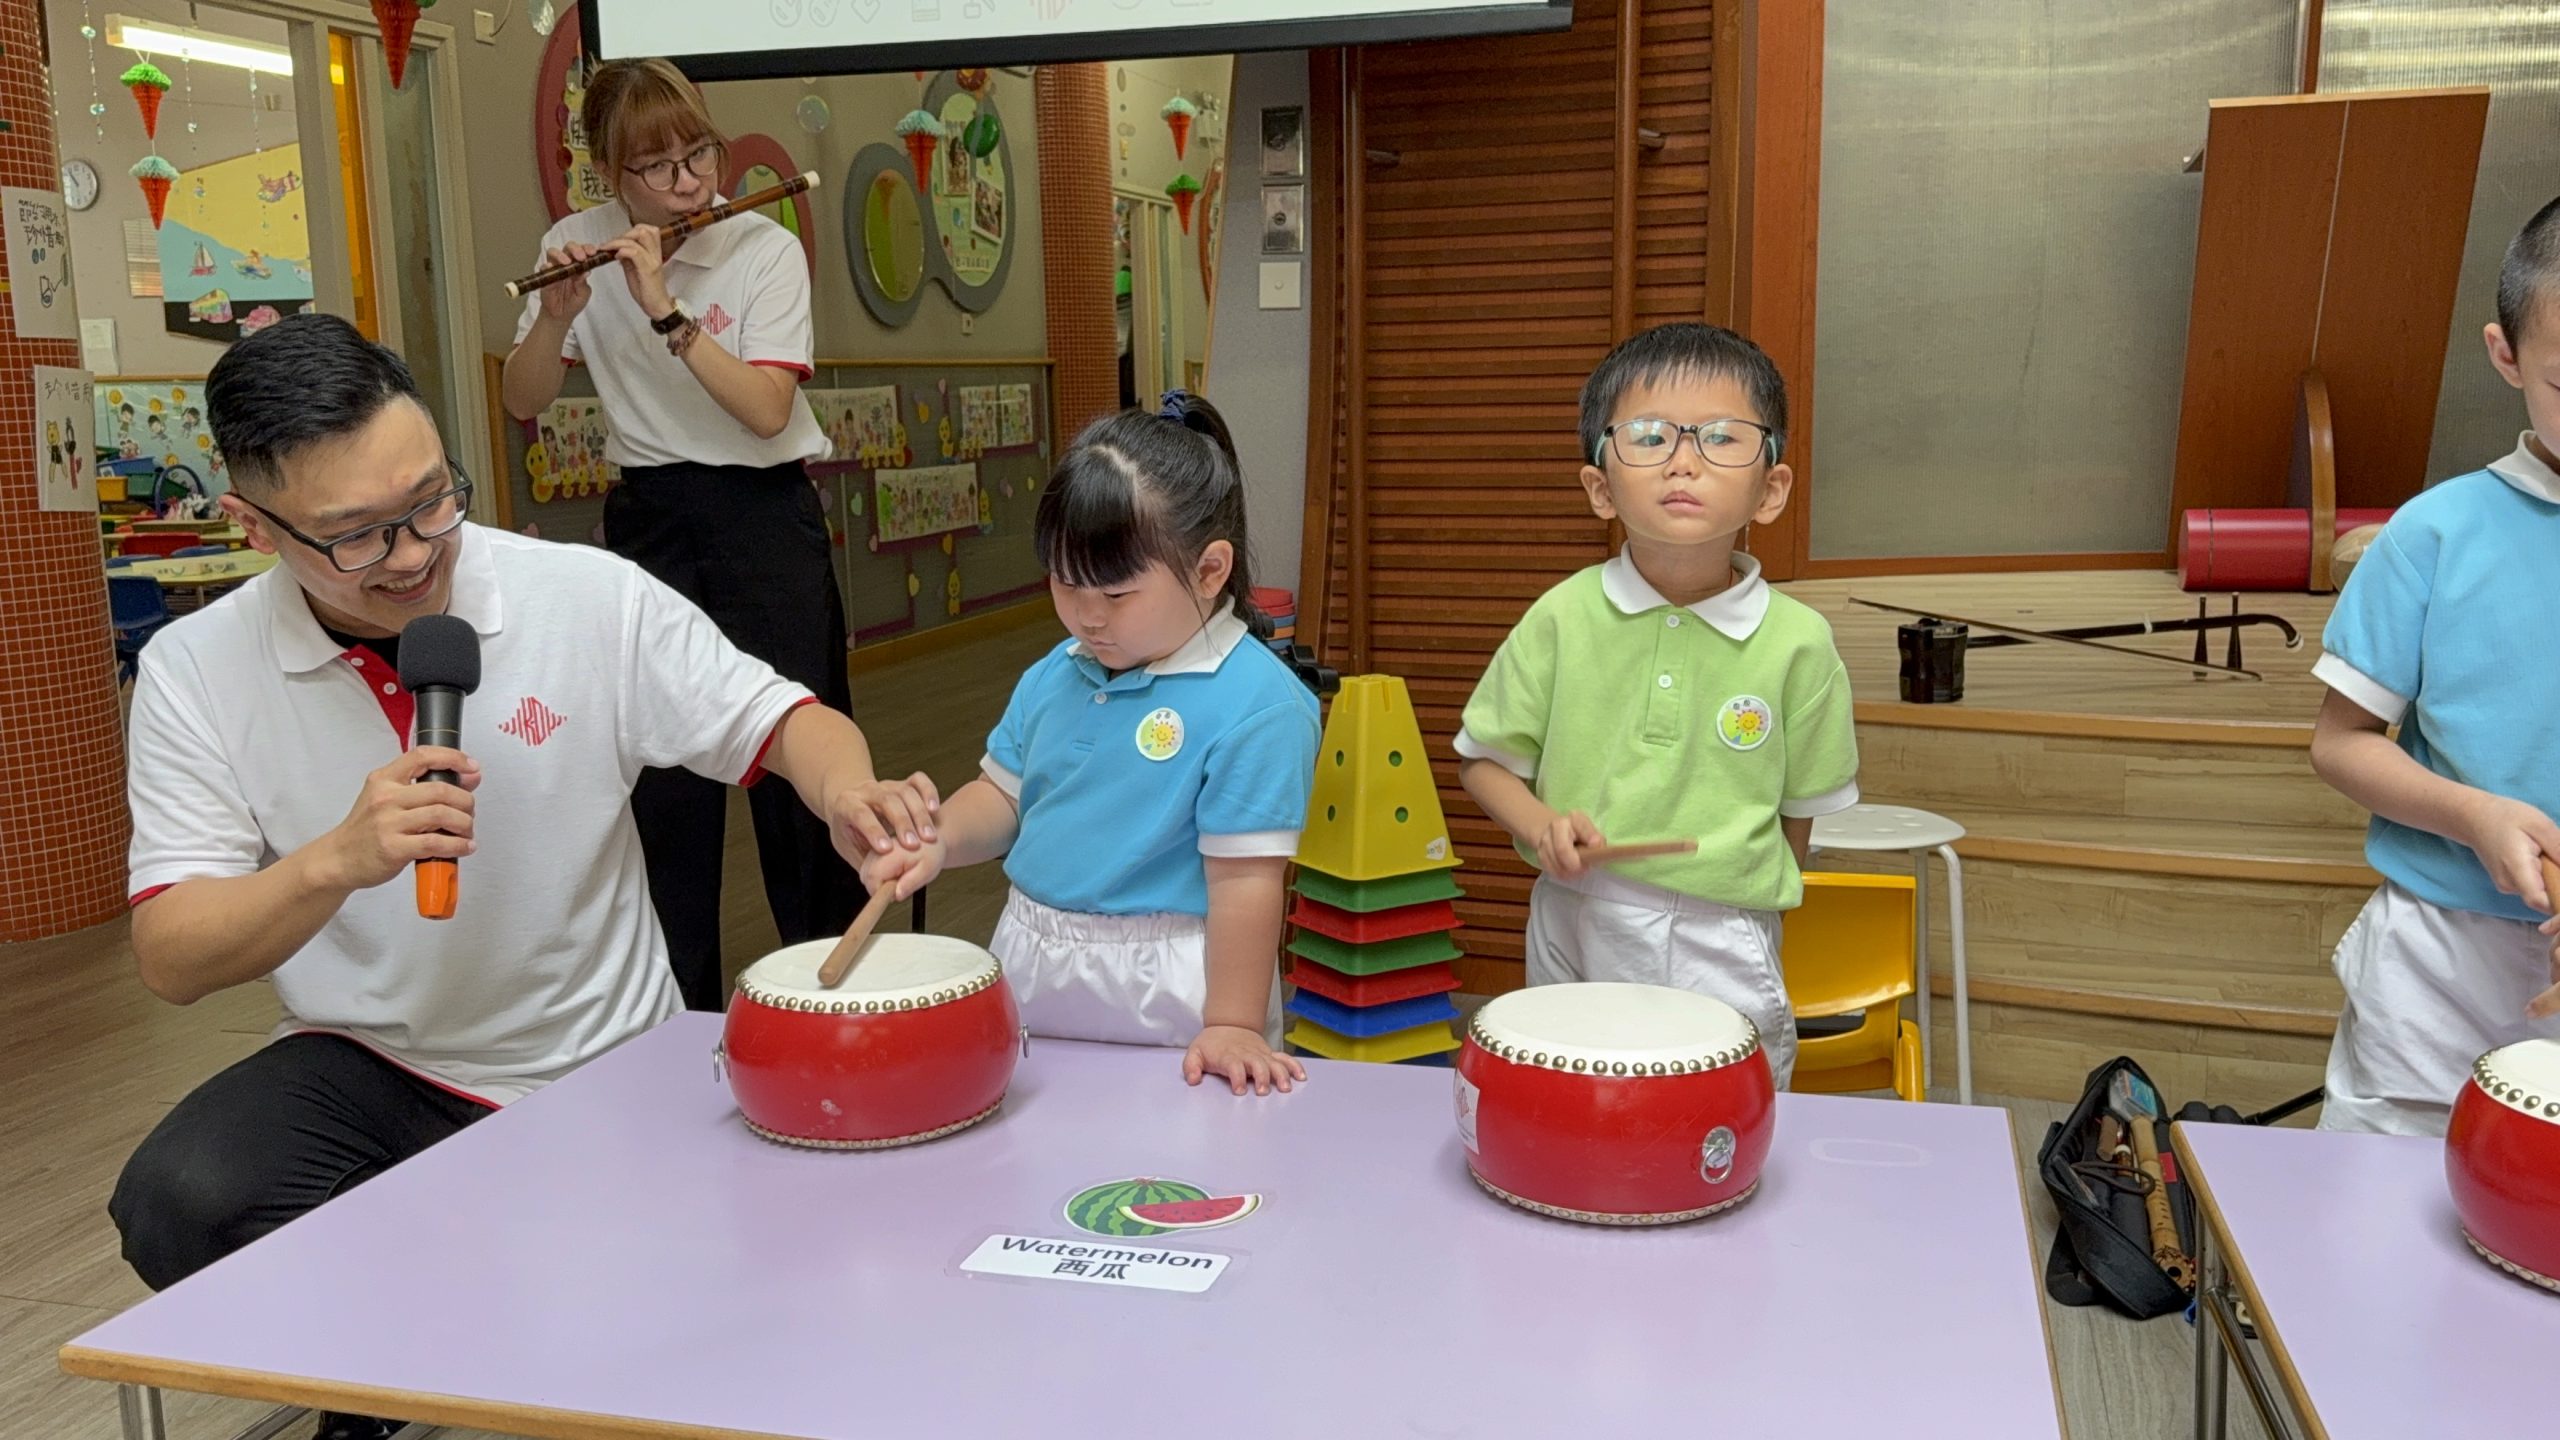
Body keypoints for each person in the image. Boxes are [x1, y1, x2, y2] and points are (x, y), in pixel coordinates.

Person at [110, 316, 930, 1440]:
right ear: (252, 524)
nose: (412, 555)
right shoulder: (194, 670)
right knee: (179, 1201)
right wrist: (335, 862)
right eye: (356, 536)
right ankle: (422, 1362)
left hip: (597, 1058)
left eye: (430, 500)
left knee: (696, 1278)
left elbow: (789, 720)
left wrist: (847, 794)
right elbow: (173, 954)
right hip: (372, 1058)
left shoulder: (585, 596)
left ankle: (455, 1341)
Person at [501, 57, 858, 1012]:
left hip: (764, 514)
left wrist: (664, 308)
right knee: (663, 773)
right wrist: (554, 321)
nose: (688, 182)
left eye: (699, 154)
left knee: (794, 755)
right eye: (656, 168)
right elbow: (524, 399)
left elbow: (768, 412)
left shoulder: (762, 246)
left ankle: (834, 987)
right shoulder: (575, 242)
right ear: (609, 174)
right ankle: (674, 1006)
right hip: (651, 517)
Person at [858, 395, 1319, 1096]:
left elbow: (1246, 882)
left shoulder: (1257, 703)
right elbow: (1003, 798)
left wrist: (1232, 1022)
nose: (1087, 616)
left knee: (1168, 1152)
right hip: (1030, 954)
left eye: (1118, 594)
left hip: (1170, 982)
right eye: (1066, 583)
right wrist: (939, 838)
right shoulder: (1057, 671)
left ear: (1210, 571)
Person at [1452, 323, 1860, 1088]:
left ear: (1771, 490)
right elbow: (1483, 761)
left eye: (1721, 437)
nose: (1683, 460)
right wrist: (1540, 826)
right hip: (1577, 911)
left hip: (1725, 931)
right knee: (1573, 1095)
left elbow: (1800, 813)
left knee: (1721, 1110)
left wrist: (1751, 902)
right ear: (1600, 488)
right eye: (1648, 436)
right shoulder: (1561, 616)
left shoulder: (1800, 643)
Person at [2307, 195, 2560, 1135]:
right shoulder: (2437, 532)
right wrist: (2473, 814)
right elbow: (2342, 743)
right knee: (2381, 1198)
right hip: (2439, 957)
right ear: (2507, 354)